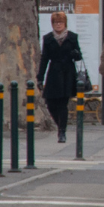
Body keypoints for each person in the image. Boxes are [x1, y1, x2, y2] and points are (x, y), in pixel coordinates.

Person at [37, 12, 82, 142]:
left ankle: (62, 132)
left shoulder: (72, 37)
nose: (58, 25)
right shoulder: (48, 38)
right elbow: (44, 58)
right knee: (50, 103)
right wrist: (40, 77)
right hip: (54, 73)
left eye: (60, 22)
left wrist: (75, 53)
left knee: (63, 104)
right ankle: (59, 125)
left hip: (68, 73)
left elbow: (79, 57)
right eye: (56, 23)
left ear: (65, 24)